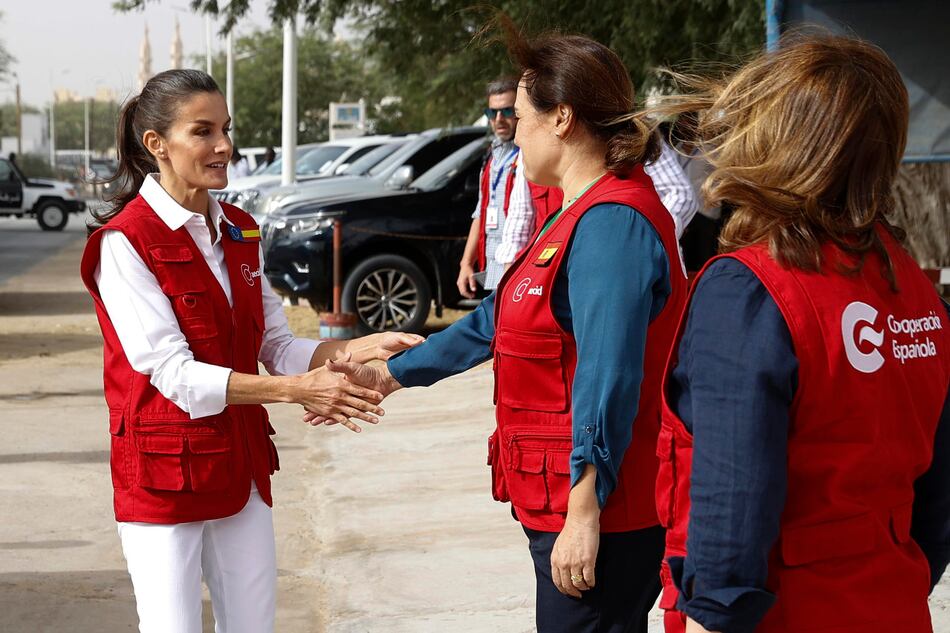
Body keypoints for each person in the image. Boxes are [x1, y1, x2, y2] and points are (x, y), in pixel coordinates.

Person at [313, 30, 687, 633]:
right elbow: (499, 320)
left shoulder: (612, 222)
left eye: (520, 114)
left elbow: (607, 371)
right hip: (559, 497)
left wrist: (584, 510)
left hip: (602, 513)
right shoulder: (577, 209)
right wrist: (386, 375)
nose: (511, 127)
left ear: (562, 118)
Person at [79, 69, 421, 633]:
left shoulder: (239, 229)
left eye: (226, 129)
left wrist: (358, 346)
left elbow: (274, 343)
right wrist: (296, 391)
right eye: (204, 131)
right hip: (165, 477)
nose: (224, 147)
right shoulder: (125, 242)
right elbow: (173, 374)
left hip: (239, 467)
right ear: (156, 145)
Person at [647, 35, 950, 632]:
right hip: (890, 603)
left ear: (777, 140)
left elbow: (731, 515)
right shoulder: (912, 287)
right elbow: (938, 505)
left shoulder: (749, 291)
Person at [457, 77, 562, 298]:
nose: (498, 119)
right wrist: (466, 263)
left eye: (506, 111)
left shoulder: (535, 157)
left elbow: (528, 215)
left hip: (523, 266)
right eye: (491, 113)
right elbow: (481, 213)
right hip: (493, 265)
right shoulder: (491, 156)